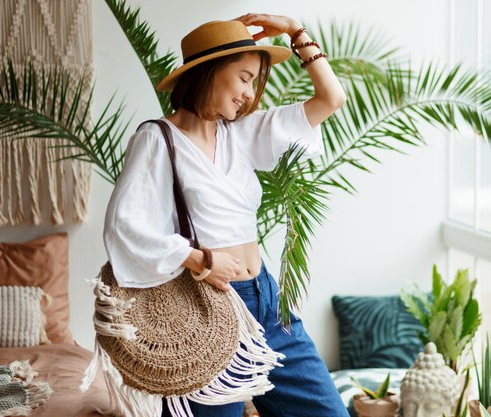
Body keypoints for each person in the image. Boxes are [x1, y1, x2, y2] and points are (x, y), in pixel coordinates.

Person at [103, 13, 349, 417]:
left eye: (253, 82)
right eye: (244, 78)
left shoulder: (242, 133)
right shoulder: (157, 139)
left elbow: (330, 99)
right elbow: (124, 224)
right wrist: (199, 259)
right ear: (210, 72)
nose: (250, 95)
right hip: (206, 310)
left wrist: (295, 30)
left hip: (268, 304)